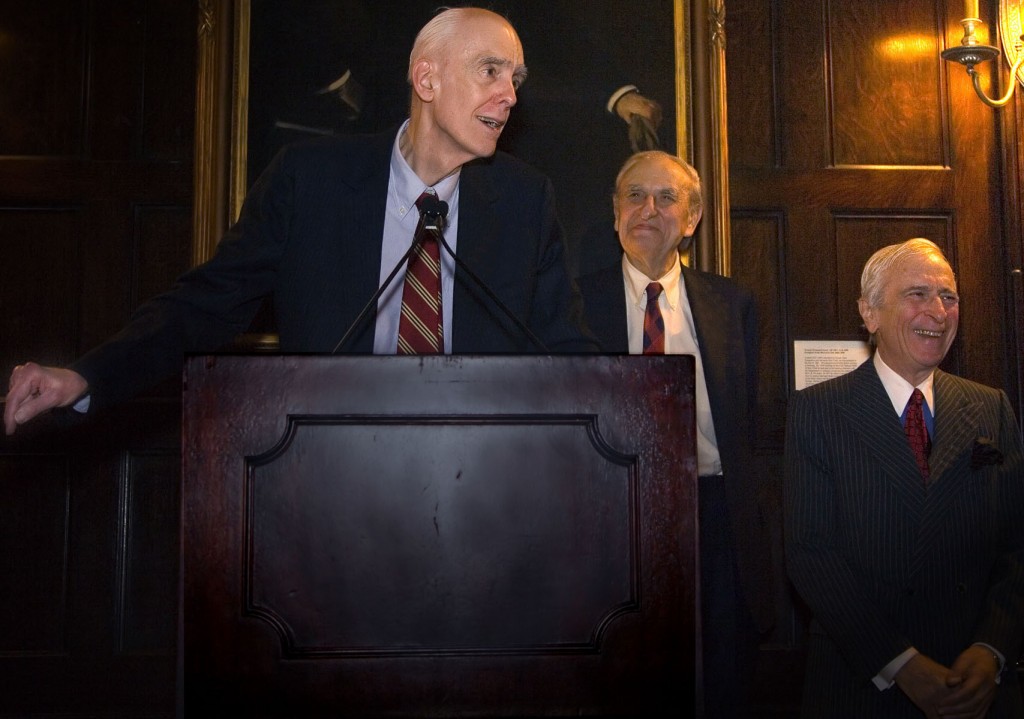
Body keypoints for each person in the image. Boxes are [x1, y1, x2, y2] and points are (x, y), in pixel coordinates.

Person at [4, 7, 595, 436]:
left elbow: (568, 351)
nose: (509, 95)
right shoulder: (309, 179)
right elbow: (204, 304)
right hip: (323, 475)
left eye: (514, 80)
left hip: (486, 482)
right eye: (490, 71)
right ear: (427, 79)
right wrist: (86, 376)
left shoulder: (524, 201)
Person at [784, 238, 1024, 718]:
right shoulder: (819, 411)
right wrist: (902, 665)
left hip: (974, 683)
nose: (937, 311)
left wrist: (991, 650)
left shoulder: (990, 407)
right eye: (917, 294)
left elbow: (1016, 547)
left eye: (949, 297)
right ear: (869, 314)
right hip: (862, 683)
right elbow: (812, 556)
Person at [575, 150, 774, 717]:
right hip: (612, 520)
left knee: (718, 684)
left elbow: (746, 425)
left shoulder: (732, 304)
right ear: (615, 213)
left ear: (692, 219)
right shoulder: (574, 304)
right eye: (634, 195)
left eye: (667, 198)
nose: (648, 209)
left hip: (713, 518)